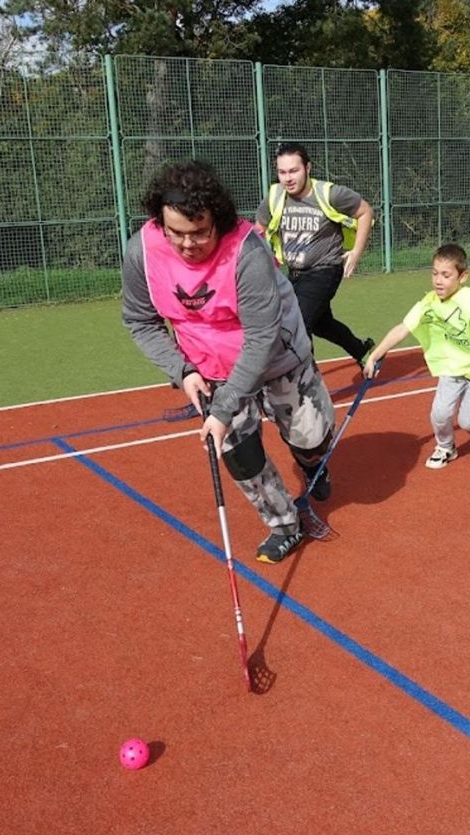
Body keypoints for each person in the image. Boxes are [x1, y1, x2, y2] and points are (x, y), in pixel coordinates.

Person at [121, 160, 336, 564]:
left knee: (311, 438)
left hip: (277, 355)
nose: (188, 244)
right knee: (239, 453)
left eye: (199, 232)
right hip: (208, 367)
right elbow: (140, 321)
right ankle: (284, 524)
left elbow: (261, 338)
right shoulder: (141, 253)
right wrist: (183, 372)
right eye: (175, 233)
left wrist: (221, 410)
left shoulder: (248, 251)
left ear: (217, 221)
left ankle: (313, 464)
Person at [362, 244, 470, 470]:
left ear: (463, 277)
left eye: (446, 275)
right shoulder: (429, 303)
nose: (438, 281)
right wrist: (375, 355)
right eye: (435, 273)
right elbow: (402, 329)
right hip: (452, 367)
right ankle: (446, 447)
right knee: (440, 413)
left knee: (469, 423)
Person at [255, 143, 376, 368]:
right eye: (282, 172)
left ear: (307, 168)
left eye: (294, 171)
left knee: (297, 324)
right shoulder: (275, 197)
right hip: (294, 272)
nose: (288, 178)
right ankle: (361, 349)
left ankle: (308, 380)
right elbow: (259, 230)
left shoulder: (329, 194)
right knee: (322, 324)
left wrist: (356, 252)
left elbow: (365, 211)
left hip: (325, 269)